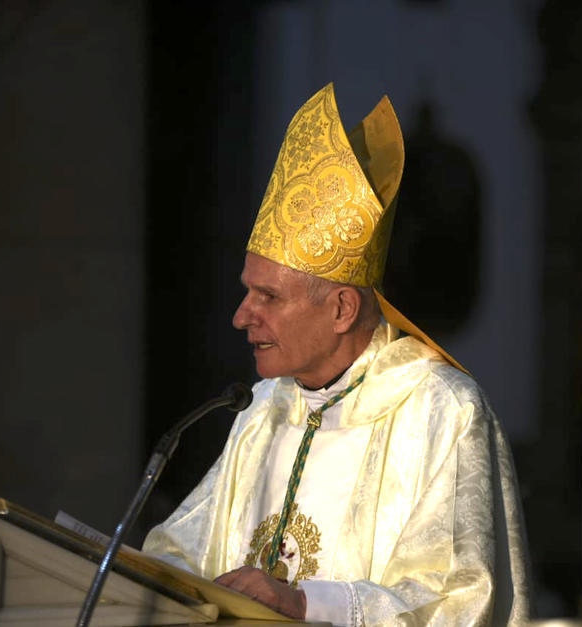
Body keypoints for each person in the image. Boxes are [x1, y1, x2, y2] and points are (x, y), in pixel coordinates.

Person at [142, 83, 531, 625]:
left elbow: (462, 602)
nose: (241, 315)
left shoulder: (443, 410)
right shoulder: (260, 410)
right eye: (247, 291)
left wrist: (305, 604)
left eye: (268, 296)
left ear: (343, 309)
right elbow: (179, 557)